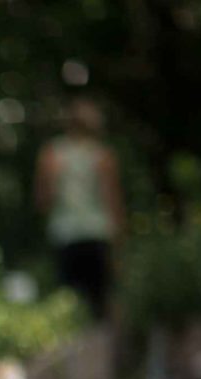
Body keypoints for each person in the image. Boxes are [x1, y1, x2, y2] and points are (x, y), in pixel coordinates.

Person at [34, 97, 124, 321]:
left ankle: (74, 352)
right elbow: (111, 199)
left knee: (69, 303)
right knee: (100, 303)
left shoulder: (52, 153)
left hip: (65, 233)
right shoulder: (102, 155)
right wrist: (120, 237)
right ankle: (99, 351)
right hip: (97, 232)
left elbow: (44, 199)